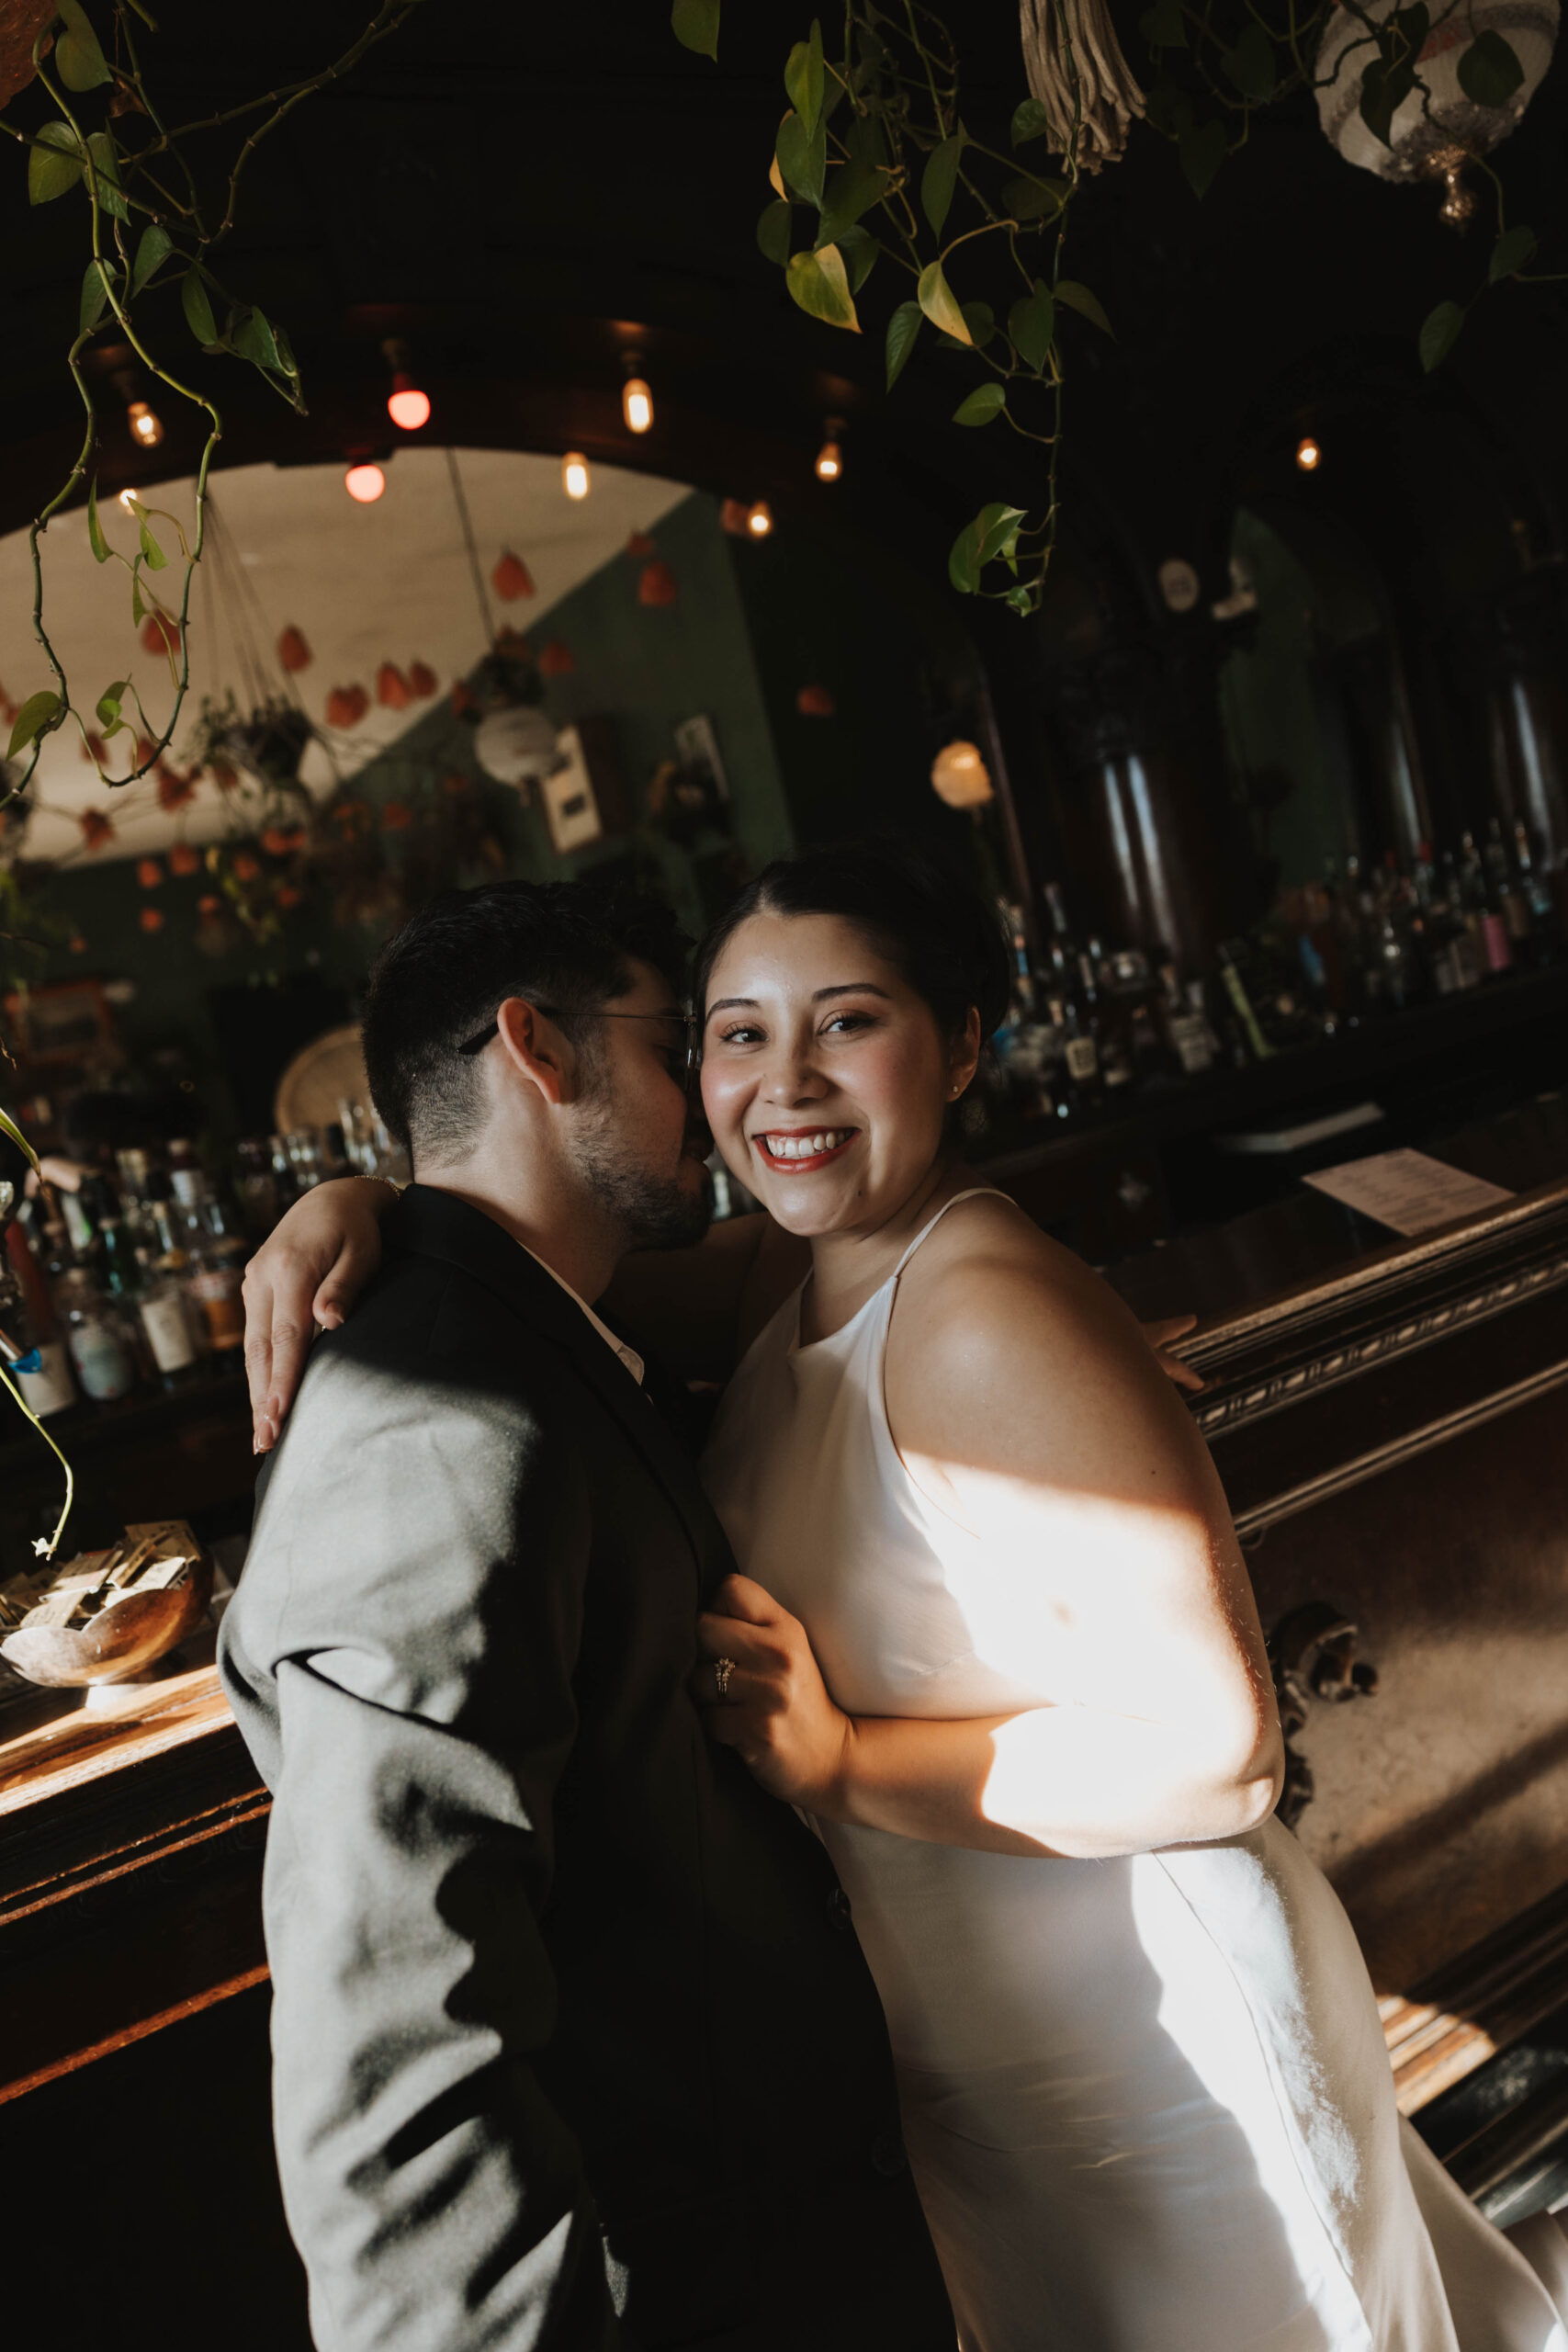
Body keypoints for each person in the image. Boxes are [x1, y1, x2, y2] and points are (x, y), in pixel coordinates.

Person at [244, 843, 1568, 2352]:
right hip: (966, 2043)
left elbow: (1224, 1753)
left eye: (847, 1023)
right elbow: (531, 1269)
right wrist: (353, 1202)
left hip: (1137, 2026)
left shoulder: (984, 1302)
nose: (779, 1082)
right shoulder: (785, 1274)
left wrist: (842, 1759)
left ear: (963, 1042)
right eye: (733, 1034)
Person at [219, 878, 954, 2351]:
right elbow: (393, 2043)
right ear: (540, 1053)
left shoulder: (536, 1318)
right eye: (676, 1040)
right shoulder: (430, 1425)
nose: (710, 1092)